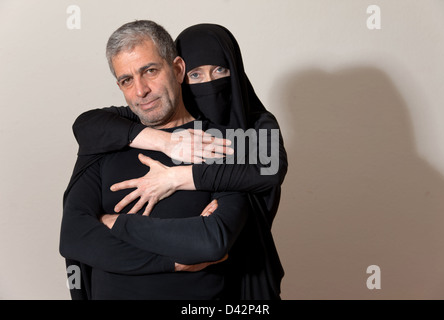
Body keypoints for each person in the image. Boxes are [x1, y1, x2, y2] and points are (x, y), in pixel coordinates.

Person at [72, 24, 288, 299]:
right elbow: (74, 237)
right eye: (196, 74)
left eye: (220, 71)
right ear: (184, 73)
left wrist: (117, 221)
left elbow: (212, 241)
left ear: (175, 70)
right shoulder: (111, 136)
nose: (141, 90)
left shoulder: (238, 138)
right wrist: (165, 142)